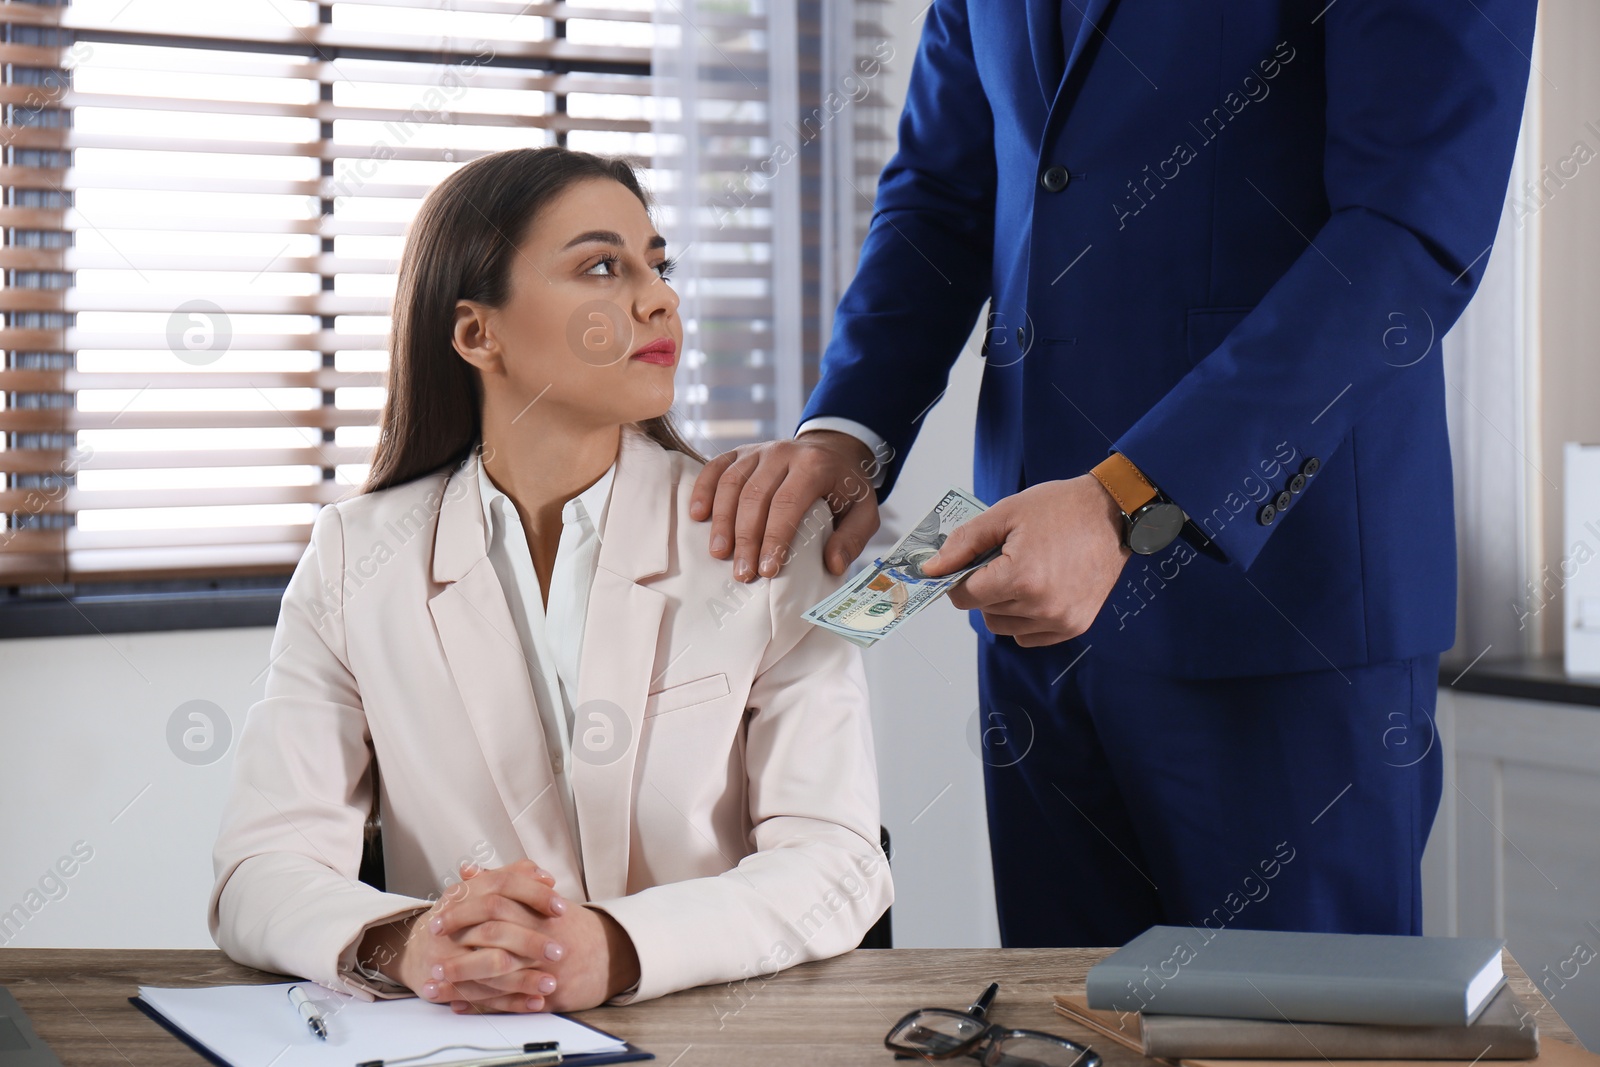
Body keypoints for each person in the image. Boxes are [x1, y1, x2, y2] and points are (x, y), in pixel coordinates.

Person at [689, 1, 1536, 946]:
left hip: (1285, 616)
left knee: (1297, 1039)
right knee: (1060, 1027)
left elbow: (1411, 233)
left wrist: (1131, 497)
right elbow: (943, 190)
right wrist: (848, 430)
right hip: (1037, 616)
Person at [208, 146, 891, 1012]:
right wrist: (410, 942)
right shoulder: (355, 554)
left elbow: (840, 861)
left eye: (659, 263)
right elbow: (261, 869)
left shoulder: (763, 535)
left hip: (722, 1027)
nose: (659, 296)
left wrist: (616, 947)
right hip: (467, 1033)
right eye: (603, 266)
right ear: (475, 333)